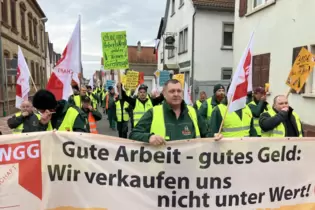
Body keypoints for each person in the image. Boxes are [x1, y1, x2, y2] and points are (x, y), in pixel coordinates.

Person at [129, 79, 211, 144]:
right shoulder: (153, 113)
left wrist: (215, 137)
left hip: (189, 163)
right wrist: (149, 137)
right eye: (172, 91)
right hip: (162, 163)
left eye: (179, 91)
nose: (176, 94)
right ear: (164, 94)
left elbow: (207, 134)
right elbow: (134, 134)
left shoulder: (193, 112)